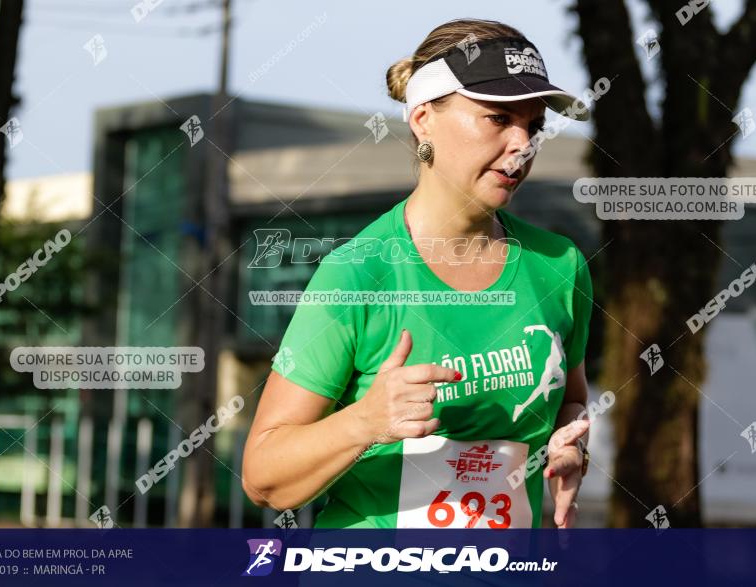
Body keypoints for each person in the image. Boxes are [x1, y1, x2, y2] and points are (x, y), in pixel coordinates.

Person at [243, 18, 594, 529]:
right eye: (498, 118)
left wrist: (570, 445)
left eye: (534, 125)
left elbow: (573, 399)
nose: (523, 145)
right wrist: (366, 422)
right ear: (424, 118)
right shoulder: (358, 274)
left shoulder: (559, 264)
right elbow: (262, 477)